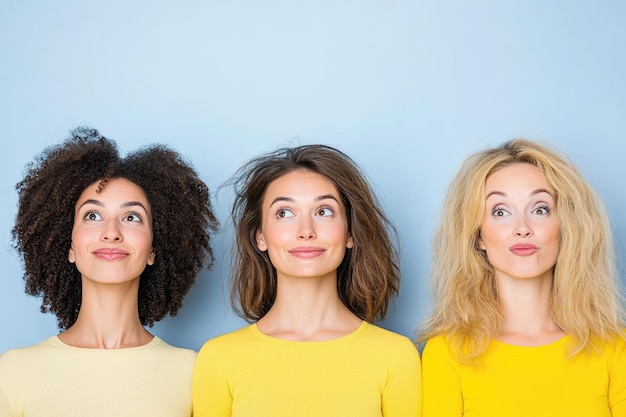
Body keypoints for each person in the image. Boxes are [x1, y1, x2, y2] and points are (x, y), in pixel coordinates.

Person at [0, 127, 219, 417]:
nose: (111, 232)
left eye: (132, 217)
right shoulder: (13, 371)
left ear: (154, 247)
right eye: (92, 215)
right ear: (69, 245)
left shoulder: (192, 371)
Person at [192, 144, 421, 417]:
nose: (306, 231)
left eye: (323, 211)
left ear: (350, 233)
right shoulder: (218, 359)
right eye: (284, 213)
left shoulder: (395, 357)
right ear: (260, 237)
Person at [419, 139, 626, 416]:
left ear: (566, 226)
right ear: (478, 235)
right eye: (501, 211)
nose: (522, 228)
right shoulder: (448, 353)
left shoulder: (614, 347)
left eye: (540, 209)